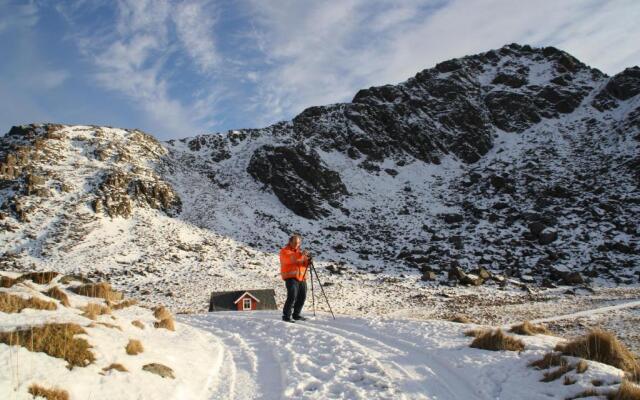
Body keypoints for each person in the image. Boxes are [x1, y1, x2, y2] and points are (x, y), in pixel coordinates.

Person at [279, 234, 310, 322]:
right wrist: (301, 255)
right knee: (292, 296)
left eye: (299, 243)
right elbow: (289, 259)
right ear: (290, 242)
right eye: (295, 242)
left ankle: (296, 314)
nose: (297, 244)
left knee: (302, 297)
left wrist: (308, 261)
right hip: (290, 277)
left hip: (302, 277)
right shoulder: (284, 251)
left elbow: (304, 264)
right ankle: (286, 316)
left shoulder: (300, 252)